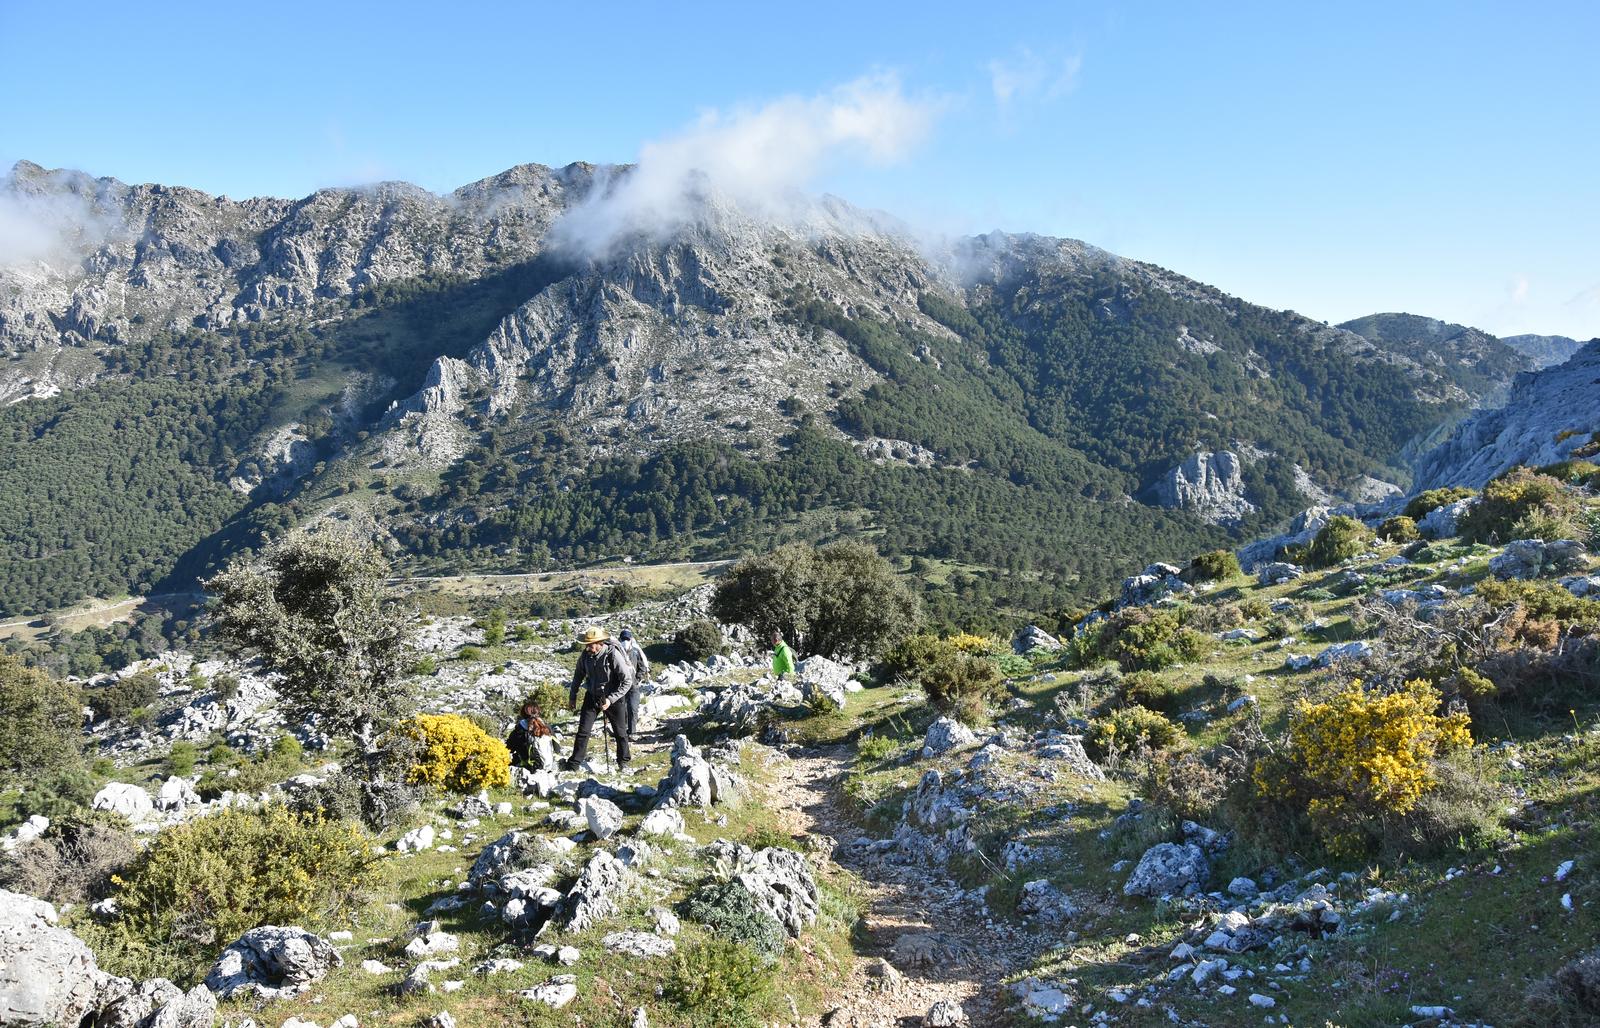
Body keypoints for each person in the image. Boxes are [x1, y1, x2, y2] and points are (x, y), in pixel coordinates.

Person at [561, 626, 634, 771]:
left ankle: (623, 761)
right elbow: (577, 677)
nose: (588, 648)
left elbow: (627, 681)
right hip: (592, 696)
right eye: (587, 645)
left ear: (600, 643)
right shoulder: (585, 656)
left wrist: (611, 699)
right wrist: (572, 697)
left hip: (613, 697)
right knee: (583, 730)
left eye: (591, 645)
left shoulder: (612, 655)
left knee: (620, 732)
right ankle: (574, 764)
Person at [505, 695, 555, 771]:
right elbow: (557, 748)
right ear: (538, 712)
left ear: (522, 714)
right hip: (548, 765)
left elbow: (509, 749)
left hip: (529, 767)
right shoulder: (547, 728)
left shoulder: (519, 731)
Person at [618, 628, 650, 741]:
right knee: (622, 709)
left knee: (633, 708)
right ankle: (622, 731)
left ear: (631, 639)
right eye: (623, 639)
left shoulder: (636, 652)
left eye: (627, 639)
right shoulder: (616, 653)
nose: (625, 641)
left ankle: (632, 732)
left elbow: (642, 667)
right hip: (620, 687)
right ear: (620, 639)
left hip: (633, 686)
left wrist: (637, 679)